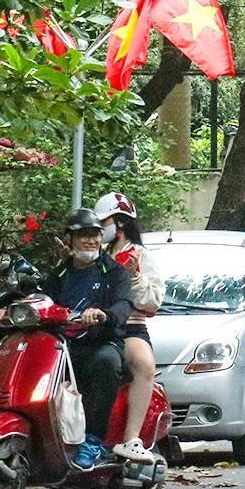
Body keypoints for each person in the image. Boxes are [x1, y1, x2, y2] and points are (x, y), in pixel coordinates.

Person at [45, 209, 133, 469]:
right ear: (70, 239)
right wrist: (8, 309)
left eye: (95, 235)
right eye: (83, 236)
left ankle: (92, 441)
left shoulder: (114, 273)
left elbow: (123, 305)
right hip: (63, 347)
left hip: (101, 344)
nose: (91, 241)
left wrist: (104, 315)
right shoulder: (60, 274)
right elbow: (40, 297)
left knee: (106, 362)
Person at [94, 192, 165, 463]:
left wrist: (134, 277)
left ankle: (132, 438)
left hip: (129, 329)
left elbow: (154, 300)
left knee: (144, 365)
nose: (101, 230)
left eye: (105, 223)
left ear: (120, 223)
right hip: (95, 328)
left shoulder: (140, 256)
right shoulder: (96, 255)